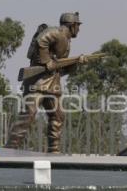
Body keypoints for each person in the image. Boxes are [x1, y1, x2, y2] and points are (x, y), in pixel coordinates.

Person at [6, 12, 84, 153]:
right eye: (78, 25)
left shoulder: (66, 40)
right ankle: (9, 150)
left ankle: (54, 150)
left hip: (52, 85)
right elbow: (41, 40)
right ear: (72, 26)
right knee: (28, 116)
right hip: (38, 83)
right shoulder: (57, 32)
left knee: (58, 116)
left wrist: (77, 62)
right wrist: (46, 61)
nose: (79, 29)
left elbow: (61, 67)